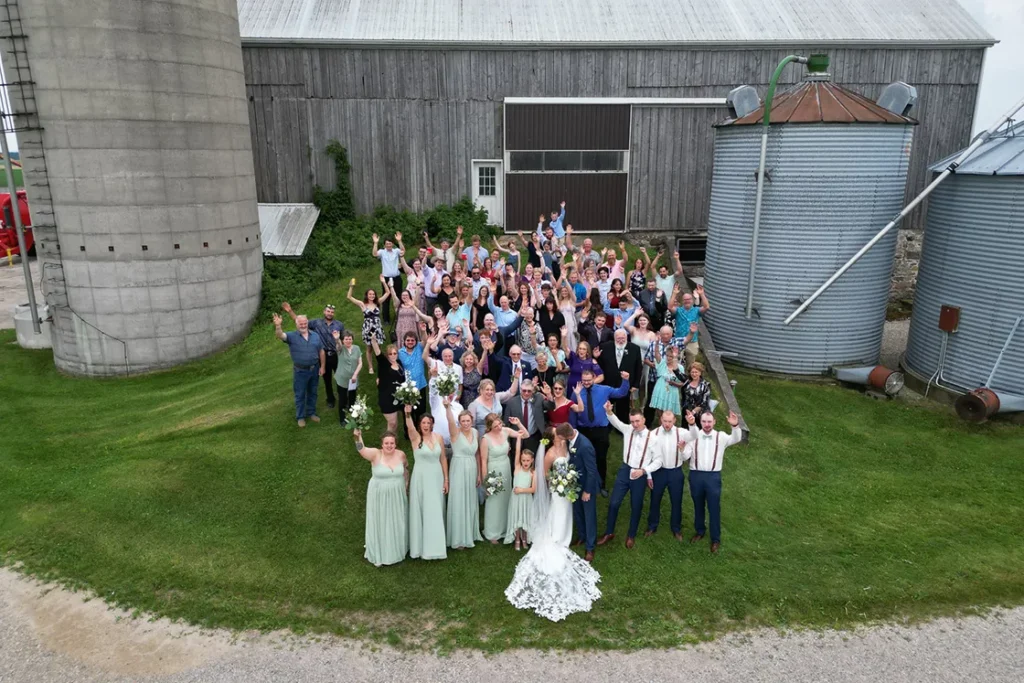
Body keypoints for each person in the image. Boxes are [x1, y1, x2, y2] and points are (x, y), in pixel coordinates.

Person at [504, 426, 601, 621]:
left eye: (561, 434)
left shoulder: (567, 447)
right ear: (554, 437)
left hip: (569, 488)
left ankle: (569, 535)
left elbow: (573, 463)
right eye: (557, 435)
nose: (560, 437)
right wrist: (557, 481)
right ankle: (557, 538)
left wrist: (569, 479)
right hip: (558, 490)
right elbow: (545, 474)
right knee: (558, 512)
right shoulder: (548, 453)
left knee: (568, 513)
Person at [599, 404, 656, 549]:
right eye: (632, 421)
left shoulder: (653, 438)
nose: (635, 424)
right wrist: (609, 411)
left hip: (640, 473)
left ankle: (631, 535)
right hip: (625, 470)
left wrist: (644, 471)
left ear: (643, 419)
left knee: (636, 505)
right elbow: (616, 422)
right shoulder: (628, 430)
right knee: (614, 503)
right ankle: (609, 532)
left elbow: (658, 460)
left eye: (637, 421)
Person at [686, 410, 743, 553]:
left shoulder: (721, 437)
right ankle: (699, 531)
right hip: (696, 475)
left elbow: (736, 439)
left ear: (714, 422)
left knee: (714, 508)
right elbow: (686, 454)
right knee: (698, 505)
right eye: (704, 421)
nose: (706, 424)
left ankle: (715, 539)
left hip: (713, 477)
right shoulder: (694, 436)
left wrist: (735, 426)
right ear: (700, 422)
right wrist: (681, 450)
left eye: (709, 422)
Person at [569, 368, 631, 495]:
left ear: (594, 378)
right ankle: (584, 482)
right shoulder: (576, 393)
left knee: (601, 457)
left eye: (588, 380)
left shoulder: (604, 390)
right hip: (583, 430)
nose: (586, 382)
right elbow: (573, 412)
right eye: (584, 380)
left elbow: (621, 393)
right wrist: (574, 429)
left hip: (601, 430)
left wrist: (625, 380)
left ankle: (601, 484)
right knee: (583, 457)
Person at [352, 428, 408, 567]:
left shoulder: (401, 455)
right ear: (382, 444)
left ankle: (397, 550)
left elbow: (406, 469)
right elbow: (361, 449)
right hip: (379, 495)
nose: (389, 446)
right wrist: (357, 437)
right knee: (382, 521)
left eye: (392, 443)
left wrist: (406, 484)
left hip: (397, 494)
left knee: (397, 520)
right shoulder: (376, 454)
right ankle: (381, 552)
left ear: (396, 444)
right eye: (386, 443)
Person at [403, 407, 447, 561]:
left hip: (436, 476)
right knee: (422, 509)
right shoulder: (416, 438)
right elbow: (409, 426)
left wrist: (446, 479)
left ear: (432, 424)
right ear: (419, 424)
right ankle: (420, 547)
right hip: (421, 477)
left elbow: (443, 459)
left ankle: (436, 546)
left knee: (435, 508)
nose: (426, 425)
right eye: (423, 422)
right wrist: (407, 413)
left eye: (429, 422)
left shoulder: (439, 438)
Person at [281, 302, 344, 409]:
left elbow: (343, 340)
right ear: (324, 312)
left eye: (332, 312)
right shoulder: (316, 323)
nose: (330, 313)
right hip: (323, 355)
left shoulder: (339, 325)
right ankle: (330, 399)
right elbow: (300, 321)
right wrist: (290, 311)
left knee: (341, 378)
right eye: (328, 311)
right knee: (327, 379)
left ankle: (343, 398)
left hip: (336, 355)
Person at [480, 414, 528, 543]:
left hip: (506, 468)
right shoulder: (485, 439)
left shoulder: (506, 431)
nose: (499, 427)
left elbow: (525, 435)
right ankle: (492, 532)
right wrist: (486, 482)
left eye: (500, 424)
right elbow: (483, 461)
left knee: (505, 499)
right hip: (494, 471)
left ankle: (505, 528)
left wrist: (518, 423)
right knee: (494, 500)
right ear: (489, 427)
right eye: (495, 426)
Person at [555, 422, 600, 561]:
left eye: (561, 437)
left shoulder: (585, 446)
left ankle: (590, 547)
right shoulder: (570, 440)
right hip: (575, 484)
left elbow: (592, 471)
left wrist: (587, 491)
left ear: (566, 436)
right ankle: (581, 536)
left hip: (587, 485)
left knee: (589, 515)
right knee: (578, 511)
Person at [273, 312, 325, 428]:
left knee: (313, 392)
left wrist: (322, 367)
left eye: (305, 323)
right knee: (300, 394)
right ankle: (300, 417)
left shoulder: (315, 335)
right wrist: (278, 326)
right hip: (300, 371)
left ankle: (311, 413)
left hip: (314, 368)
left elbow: (321, 351)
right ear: (297, 324)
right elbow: (280, 335)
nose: (303, 325)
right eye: (301, 323)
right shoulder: (291, 336)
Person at [443, 400, 483, 549]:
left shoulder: (475, 432)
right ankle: (458, 538)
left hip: (472, 466)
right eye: (463, 421)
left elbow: (478, 453)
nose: (466, 423)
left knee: (470, 498)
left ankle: (470, 533)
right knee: (459, 499)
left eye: (468, 420)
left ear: (472, 421)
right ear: (459, 422)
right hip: (458, 468)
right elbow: (449, 420)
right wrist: (447, 408)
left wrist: (479, 473)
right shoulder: (455, 433)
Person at [645, 409, 688, 541]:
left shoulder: (682, 433)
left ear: (674, 421)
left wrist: (682, 449)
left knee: (676, 501)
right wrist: (649, 475)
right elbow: (648, 456)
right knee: (655, 499)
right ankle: (652, 526)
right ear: (661, 420)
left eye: (670, 421)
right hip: (659, 472)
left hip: (676, 471)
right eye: (665, 421)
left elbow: (687, 454)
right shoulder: (653, 434)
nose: (667, 424)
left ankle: (676, 528)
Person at [596, 328, 643, 424]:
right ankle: (607, 424)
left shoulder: (635, 348)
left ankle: (621, 426)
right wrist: (596, 357)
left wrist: (635, 384)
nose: (621, 340)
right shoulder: (605, 347)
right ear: (614, 338)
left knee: (623, 406)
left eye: (623, 338)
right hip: (608, 383)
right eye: (618, 338)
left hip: (625, 383)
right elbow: (600, 365)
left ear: (626, 337)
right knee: (607, 405)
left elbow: (638, 368)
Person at [347, 276, 389, 375]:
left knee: (378, 347)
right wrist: (351, 286)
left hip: (377, 328)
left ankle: (380, 365)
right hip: (368, 328)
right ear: (367, 295)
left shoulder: (378, 303)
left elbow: (387, 293)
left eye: (373, 294)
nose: (372, 296)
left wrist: (383, 282)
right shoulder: (362, 304)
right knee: (369, 348)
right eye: (370, 294)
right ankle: (370, 367)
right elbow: (349, 297)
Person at [425, 344, 465, 446]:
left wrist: (458, 396)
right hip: (441, 398)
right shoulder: (438, 364)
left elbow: (460, 384)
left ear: (453, 356)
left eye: (450, 356)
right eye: (445, 356)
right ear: (442, 357)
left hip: (454, 400)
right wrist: (428, 343)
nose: (448, 358)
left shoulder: (458, 368)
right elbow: (424, 357)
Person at [502, 379, 553, 455]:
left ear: (532, 390)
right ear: (520, 390)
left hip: (534, 438)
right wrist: (507, 442)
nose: (526, 393)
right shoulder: (512, 402)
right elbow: (506, 424)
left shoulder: (538, 398)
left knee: (533, 463)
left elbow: (551, 407)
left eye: (529, 391)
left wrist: (549, 395)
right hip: (517, 438)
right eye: (524, 390)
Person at [398, 327, 429, 436]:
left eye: (412, 340)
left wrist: (423, 331)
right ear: (404, 341)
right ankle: (408, 432)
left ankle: (420, 430)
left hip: (420, 384)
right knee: (408, 411)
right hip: (407, 387)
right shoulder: (400, 352)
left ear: (416, 341)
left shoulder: (419, 348)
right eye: (408, 340)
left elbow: (426, 341)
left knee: (420, 410)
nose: (410, 342)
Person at [669, 284, 710, 366]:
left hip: (692, 341)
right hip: (679, 340)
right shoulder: (678, 310)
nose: (687, 301)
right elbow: (670, 307)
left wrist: (702, 294)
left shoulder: (696, 310)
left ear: (692, 300)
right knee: (676, 363)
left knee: (691, 364)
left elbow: (706, 307)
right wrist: (674, 293)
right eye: (685, 299)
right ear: (682, 301)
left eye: (689, 299)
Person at [505, 440, 536, 549]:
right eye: (523, 460)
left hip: (526, 499)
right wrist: (518, 438)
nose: (525, 462)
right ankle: (517, 539)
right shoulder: (517, 468)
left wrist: (521, 490)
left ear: (532, 460)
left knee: (525, 518)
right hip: (516, 499)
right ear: (520, 461)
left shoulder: (533, 473)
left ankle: (524, 538)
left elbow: (533, 489)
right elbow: (517, 451)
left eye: (528, 460)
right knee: (517, 517)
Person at [371, 338, 403, 434]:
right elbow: (378, 353)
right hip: (386, 397)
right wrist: (373, 341)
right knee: (392, 423)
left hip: (397, 397)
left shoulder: (399, 364)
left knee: (395, 423)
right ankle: (387, 443)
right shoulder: (384, 363)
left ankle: (393, 442)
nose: (393, 355)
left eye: (395, 353)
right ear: (387, 355)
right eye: (390, 354)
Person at [372, 232, 405, 323]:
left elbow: (403, 251)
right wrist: (375, 243)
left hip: (397, 278)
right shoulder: (382, 252)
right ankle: (386, 319)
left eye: (390, 243)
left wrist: (400, 240)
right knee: (386, 298)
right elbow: (374, 254)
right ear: (384, 245)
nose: (389, 245)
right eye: (387, 244)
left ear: (392, 244)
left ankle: (400, 316)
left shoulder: (396, 251)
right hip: (386, 278)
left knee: (399, 297)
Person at [332, 329, 362, 425]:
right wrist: (337, 339)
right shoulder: (341, 349)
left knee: (352, 397)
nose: (348, 341)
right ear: (343, 340)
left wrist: (355, 375)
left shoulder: (357, 348)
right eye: (346, 339)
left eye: (350, 339)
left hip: (353, 379)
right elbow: (338, 345)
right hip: (342, 379)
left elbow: (360, 363)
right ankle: (342, 419)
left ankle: (352, 414)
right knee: (343, 399)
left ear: (352, 339)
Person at [649, 345, 687, 419]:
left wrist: (674, 383)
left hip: (672, 392)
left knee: (669, 416)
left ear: (675, 357)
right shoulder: (662, 363)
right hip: (660, 389)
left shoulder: (680, 368)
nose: (669, 358)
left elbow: (682, 383)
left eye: (671, 356)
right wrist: (656, 342)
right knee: (660, 415)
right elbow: (656, 354)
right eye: (667, 355)